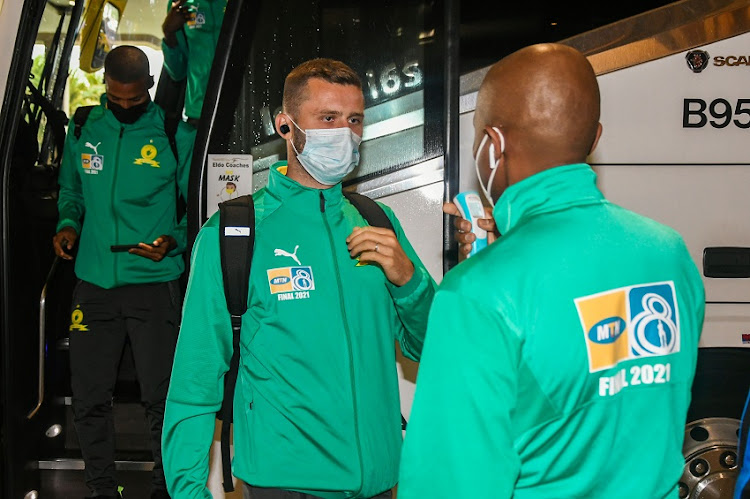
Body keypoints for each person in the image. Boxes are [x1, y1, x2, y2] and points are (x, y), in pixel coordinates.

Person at [398, 43, 705, 498]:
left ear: (492, 146)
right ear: (594, 138)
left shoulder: (478, 293)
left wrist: (492, 270)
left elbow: (448, 484)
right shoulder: (669, 252)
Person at [162, 58, 437, 498]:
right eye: (327, 118)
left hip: (382, 482)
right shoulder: (236, 234)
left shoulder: (375, 219)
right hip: (286, 485)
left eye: (354, 120)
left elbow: (433, 346)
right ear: (286, 126)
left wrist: (410, 281)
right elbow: (195, 379)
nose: (344, 133)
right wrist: (188, 490)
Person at [53, 45, 195, 499]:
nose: (127, 107)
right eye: (118, 98)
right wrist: (68, 225)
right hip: (94, 282)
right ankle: (101, 489)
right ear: (105, 88)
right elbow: (71, 189)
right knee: (91, 397)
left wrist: (174, 239)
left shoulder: (174, 132)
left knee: (160, 398)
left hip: (153, 284)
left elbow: (197, 210)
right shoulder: (84, 126)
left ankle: (163, 489)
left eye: (136, 99)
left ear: (149, 89)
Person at [161, 0, 227, 125]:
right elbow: (177, 73)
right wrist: (169, 33)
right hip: (199, 111)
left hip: (242, 99)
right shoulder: (181, 5)